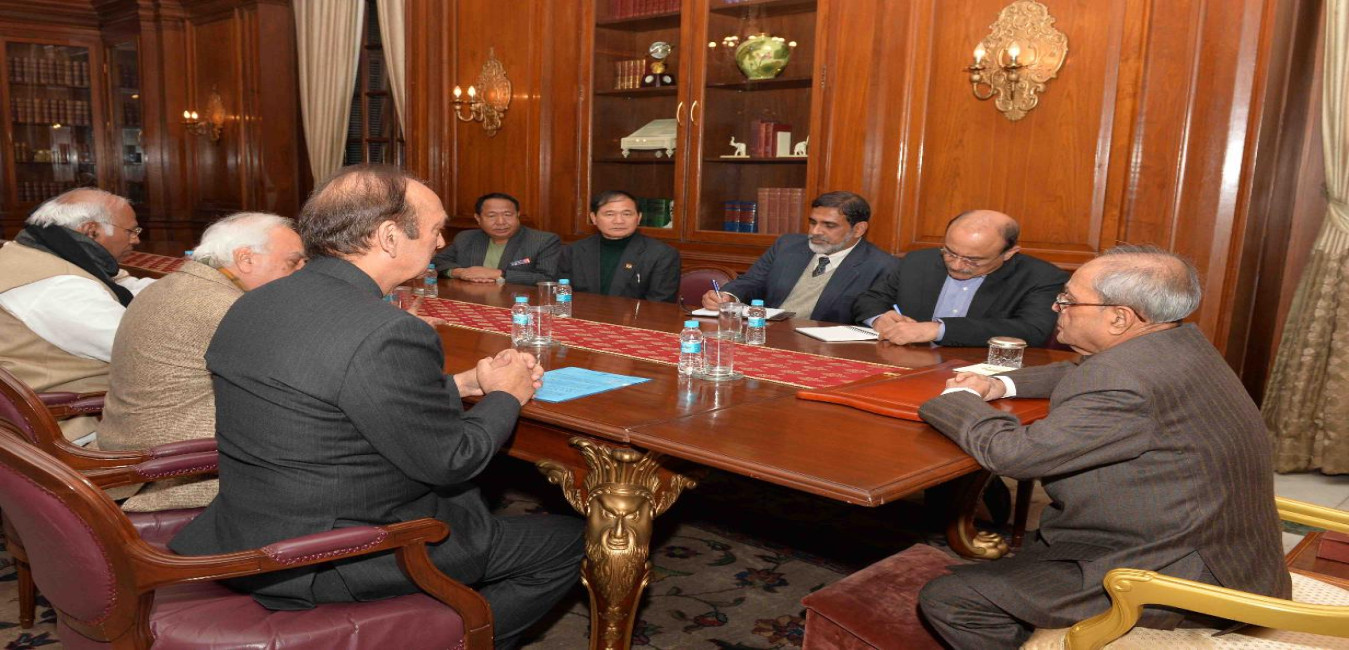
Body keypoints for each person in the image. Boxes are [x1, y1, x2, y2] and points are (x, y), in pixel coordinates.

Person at [169, 165, 584, 649]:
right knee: (569, 541)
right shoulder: (386, 329)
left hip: (249, 526)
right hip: (333, 555)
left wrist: (464, 383)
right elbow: (453, 460)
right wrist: (506, 394)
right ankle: (459, 639)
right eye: (435, 229)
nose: (441, 242)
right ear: (389, 237)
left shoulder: (257, 301)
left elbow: (334, 394)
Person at [915, 245, 1291, 648]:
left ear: (1119, 318)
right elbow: (1081, 372)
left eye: (1069, 300)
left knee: (951, 599)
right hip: (1218, 548)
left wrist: (958, 401)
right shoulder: (1175, 344)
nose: (1057, 307)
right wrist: (998, 383)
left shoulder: (1125, 382)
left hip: (1176, 574)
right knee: (1015, 562)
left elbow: (1015, 454)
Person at [99, 212, 306, 512]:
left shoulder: (170, 285)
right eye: (293, 262)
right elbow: (298, 386)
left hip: (128, 450)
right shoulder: (227, 307)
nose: (302, 272)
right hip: (174, 473)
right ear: (246, 259)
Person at [0, 188, 154, 445]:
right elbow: (144, 349)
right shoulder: (58, 287)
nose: (136, 240)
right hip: (71, 426)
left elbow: (125, 286)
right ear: (91, 230)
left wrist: (189, 289)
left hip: (32, 414)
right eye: (131, 231)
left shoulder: (37, 252)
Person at [852, 210, 1067, 347]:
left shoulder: (1041, 277)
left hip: (979, 372)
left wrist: (938, 330)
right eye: (950, 252)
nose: (956, 265)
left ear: (1009, 253)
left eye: (973, 260)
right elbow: (870, 299)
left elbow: (1032, 330)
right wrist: (879, 318)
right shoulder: (918, 261)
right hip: (905, 362)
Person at [700, 191, 897, 322]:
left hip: (826, 351)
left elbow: (872, 317)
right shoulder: (788, 245)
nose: (816, 231)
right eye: (813, 222)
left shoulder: (882, 266)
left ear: (858, 229)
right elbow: (752, 281)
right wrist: (728, 296)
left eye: (829, 225)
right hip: (767, 335)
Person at [558, 190, 680, 302]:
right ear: (594, 218)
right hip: (581, 316)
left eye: (627, 214)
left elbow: (660, 305)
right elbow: (561, 296)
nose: (619, 221)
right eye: (609, 214)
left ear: (639, 218)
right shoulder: (573, 251)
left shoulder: (662, 255)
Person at [433, 192, 561, 285]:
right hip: (471, 300)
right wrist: (460, 272)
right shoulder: (466, 238)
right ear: (478, 218)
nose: (501, 222)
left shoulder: (543, 241)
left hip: (517, 304)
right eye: (491, 216)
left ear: (518, 215)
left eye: (508, 214)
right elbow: (437, 262)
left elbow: (548, 278)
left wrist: (497, 274)